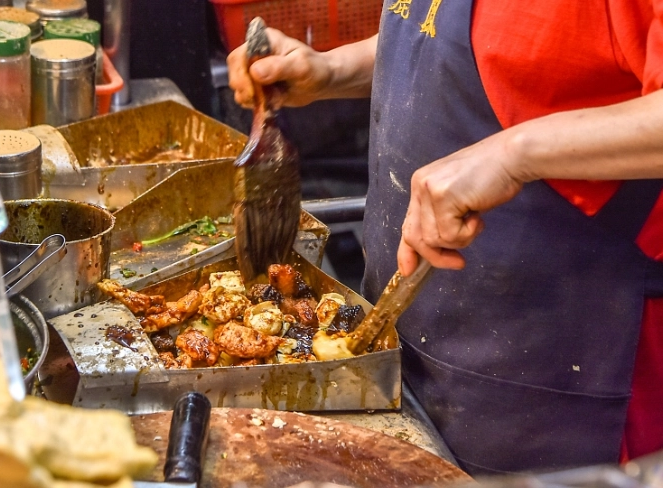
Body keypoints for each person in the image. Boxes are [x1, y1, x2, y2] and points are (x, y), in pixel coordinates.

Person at [227, 0, 663, 475]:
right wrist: (334, 70)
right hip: (409, 334)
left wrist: (514, 155)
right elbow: (451, 38)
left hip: (558, 359)